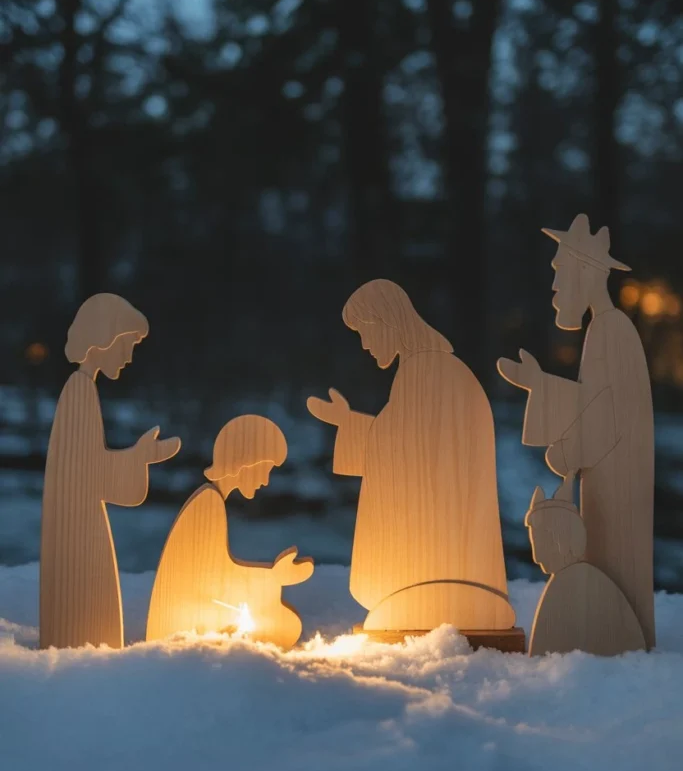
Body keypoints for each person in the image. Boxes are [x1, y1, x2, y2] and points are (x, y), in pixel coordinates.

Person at [307, 279, 514, 632]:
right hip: (443, 544)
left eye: (366, 332)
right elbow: (408, 441)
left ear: (389, 322)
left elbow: (418, 454)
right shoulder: (424, 369)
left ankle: (428, 597)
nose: (366, 345)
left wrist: (362, 433)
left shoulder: (430, 371)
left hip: (449, 547)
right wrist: (352, 424)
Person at [498, 215, 655, 647]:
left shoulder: (611, 329)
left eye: (560, 271)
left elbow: (614, 412)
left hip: (618, 485)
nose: (554, 285)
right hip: (606, 480)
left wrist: (566, 454)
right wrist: (542, 387)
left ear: (586, 271)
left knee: (614, 568)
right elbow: (597, 401)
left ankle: (619, 635)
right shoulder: (604, 329)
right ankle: (603, 632)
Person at [40, 293, 181, 649]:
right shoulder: (79, 392)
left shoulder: (82, 390)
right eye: (128, 344)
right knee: (82, 622)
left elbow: (86, 467)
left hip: (83, 525)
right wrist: (138, 458)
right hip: (77, 534)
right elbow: (85, 474)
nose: (130, 356)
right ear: (105, 338)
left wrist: (137, 457)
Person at [146, 415, 314, 650]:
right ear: (244, 463)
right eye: (265, 469)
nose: (266, 481)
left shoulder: (211, 501)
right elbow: (212, 576)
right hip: (178, 630)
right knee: (281, 625)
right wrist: (273, 577)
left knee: (281, 623)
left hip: (195, 612)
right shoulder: (207, 505)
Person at [526, 473, 645, 656]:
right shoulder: (569, 581)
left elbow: (542, 654)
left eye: (541, 543)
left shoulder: (572, 584)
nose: (536, 558)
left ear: (563, 541)